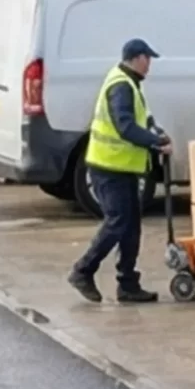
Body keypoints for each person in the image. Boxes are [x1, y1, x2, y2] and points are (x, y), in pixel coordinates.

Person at [68, 39, 172, 306]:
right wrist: (155, 142)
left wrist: (155, 131)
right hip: (108, 167)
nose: (149, 64)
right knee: (118, 222)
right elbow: (124, 126)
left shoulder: (131, 84)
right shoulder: (121, 86)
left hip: (123, 167)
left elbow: (142, 119)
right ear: (136, 58)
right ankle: (83, 270)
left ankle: (128, 284)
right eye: (147, 59)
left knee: (130, 227)